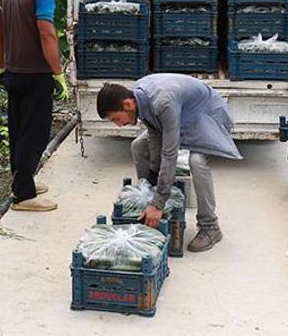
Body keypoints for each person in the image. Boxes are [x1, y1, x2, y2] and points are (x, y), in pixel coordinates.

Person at [96, 74, 242, 252]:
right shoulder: (139, 96)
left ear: (128, 104)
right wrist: (153, 177)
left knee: (197, 161)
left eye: (116, 119)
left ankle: (210, 226)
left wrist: (158, 204)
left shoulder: (163, 102)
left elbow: (169, 153)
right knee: (138, 146)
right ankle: (148, 200)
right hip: (180, 114)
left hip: (205, 115)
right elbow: (154, 133)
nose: (118, 125)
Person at [0, 0, 69, 212]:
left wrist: (1, 66)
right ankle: (24, 196)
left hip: (13, 72)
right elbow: (47, 33)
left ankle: (22, 182)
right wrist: (58, 73)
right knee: (34, 134)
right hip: (36, 73)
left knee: (18, 130)